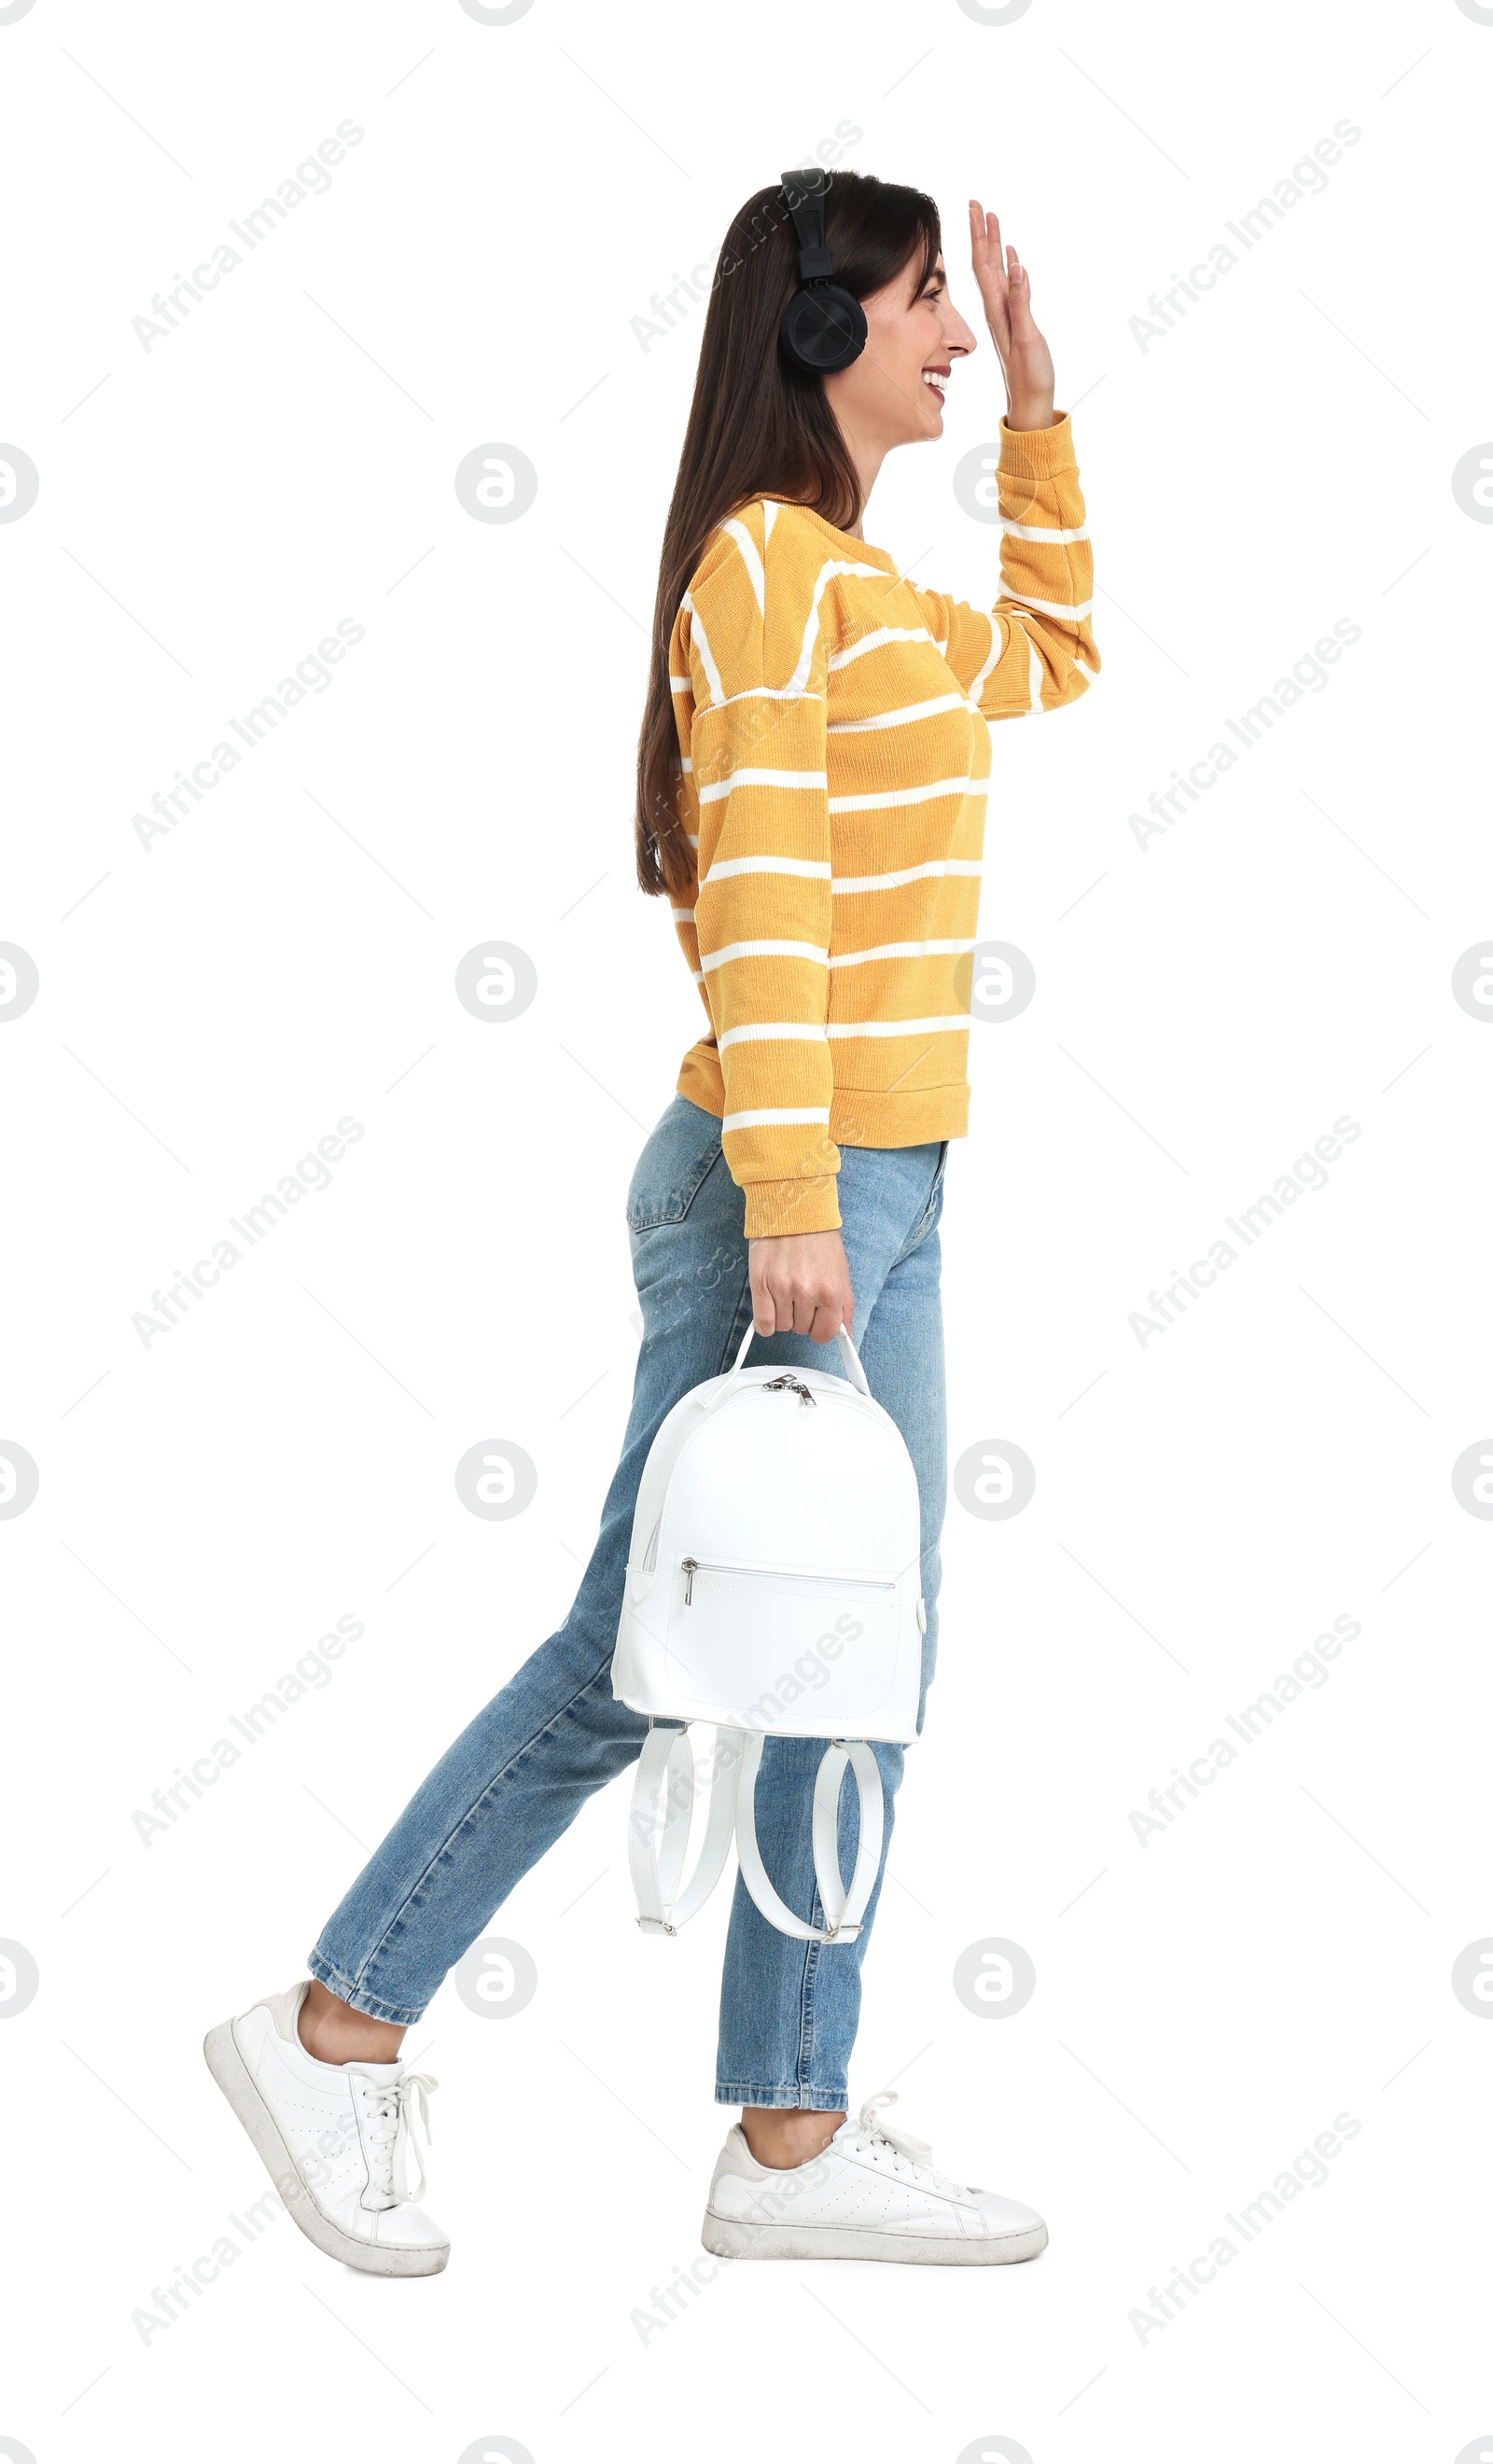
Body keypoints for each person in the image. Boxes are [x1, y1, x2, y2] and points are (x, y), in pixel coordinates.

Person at [205, 170, 1099, 2276]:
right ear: (815, 340)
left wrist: (1047, 406)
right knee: (643, 1658)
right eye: (918, 311)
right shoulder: (757, 580)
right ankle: (335, 2024)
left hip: (890, 1172)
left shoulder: (860, 592)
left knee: (850, 1650)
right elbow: (767, 905)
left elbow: (1050, 652)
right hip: (788, 1187)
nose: (951, 340)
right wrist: (793, 1197)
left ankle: (787, 2136)